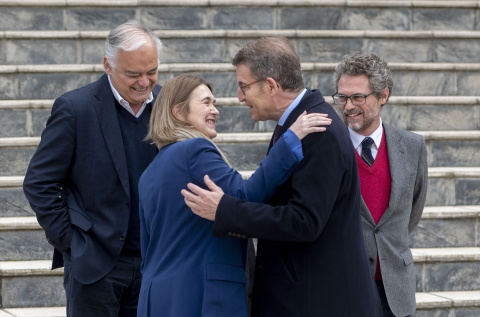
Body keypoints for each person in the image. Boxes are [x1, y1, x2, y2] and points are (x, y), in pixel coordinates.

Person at [181, 36, 382, 316]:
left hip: (317, 302)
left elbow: (304, 221)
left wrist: (225, 210)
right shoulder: (298, 122)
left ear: (272, 85)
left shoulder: (318, 130)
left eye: (243, 86)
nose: (239, 97)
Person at [137, 73, 330, 316]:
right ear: (178, 112)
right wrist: (290, 139)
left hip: (156, 298)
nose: (215, 110)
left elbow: (147, 249)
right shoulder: (194, 150)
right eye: (206, 102)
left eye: (214, 103)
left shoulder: (149, 173)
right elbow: (244, 195)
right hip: (201, 296)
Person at [23, 20, 163, 317]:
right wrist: (73, 243)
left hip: (156, 264)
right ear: (107, 66)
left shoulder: (169, 105)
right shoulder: (75, 108)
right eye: (133, 74)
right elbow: (39, 182)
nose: (144, 81)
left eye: (151, 72)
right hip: (95, 266)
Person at [332, 51, 428, 317]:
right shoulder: (326, 148)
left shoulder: (412, 146)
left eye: (358, 97)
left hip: (396, 292)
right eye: (342, 97)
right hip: (344, 289)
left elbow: (411, 212)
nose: (348, 106)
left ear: (383, 96)